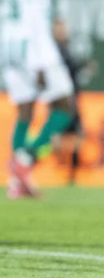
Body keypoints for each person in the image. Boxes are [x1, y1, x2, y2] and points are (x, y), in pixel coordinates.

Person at [0, 0, 75, 198]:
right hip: (33, 46)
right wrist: (39, 60)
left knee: (25, 112)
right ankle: (24, 161)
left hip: (8, 45)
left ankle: (18, 183)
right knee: (65, 106)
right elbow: (34, 16)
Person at [52, 18, 96, 186]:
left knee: (76, 135)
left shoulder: (66, 49)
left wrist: (85, 69)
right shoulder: (54, 51)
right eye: (60, 28)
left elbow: (75, 72)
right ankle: (33, 158)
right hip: (62, 100)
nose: (63, 31)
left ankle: (71, 172)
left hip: (72, 99)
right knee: (57, 136)